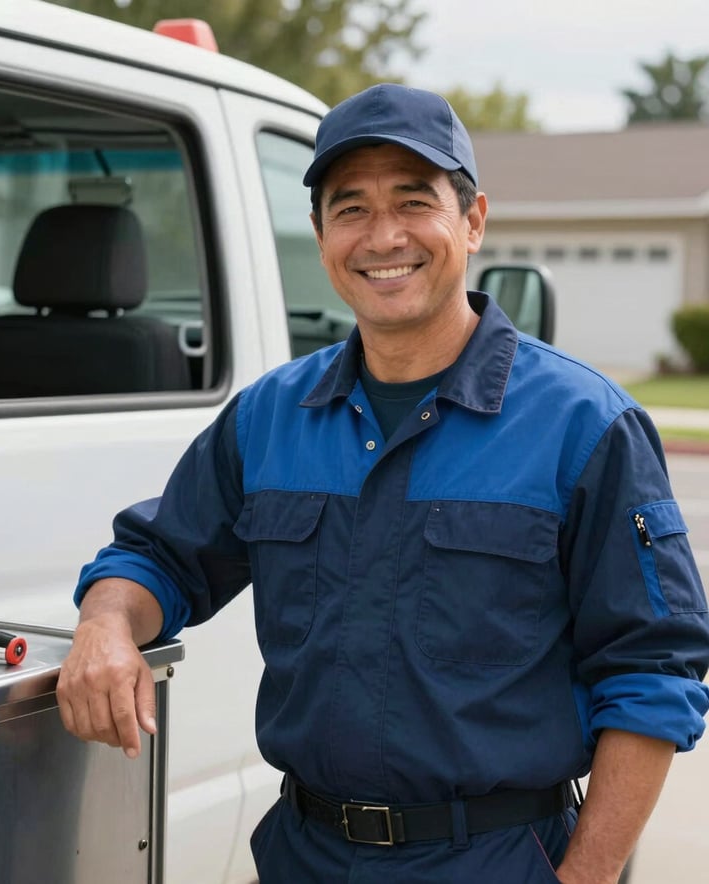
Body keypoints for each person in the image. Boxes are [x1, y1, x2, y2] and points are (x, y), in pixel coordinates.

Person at [57, 83, 709, 883]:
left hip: (497, 861)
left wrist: (589, 875)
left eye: (413, 200)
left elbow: (653, 671)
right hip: (305, 854)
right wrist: (106, 623)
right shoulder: (270, 416)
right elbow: (159, 556)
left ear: (472, 221)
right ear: (322, 234)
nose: (383, 236)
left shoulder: (586, 425)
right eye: (351, 208)